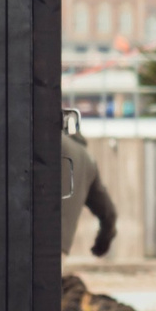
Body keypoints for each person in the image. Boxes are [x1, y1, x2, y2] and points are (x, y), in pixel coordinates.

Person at [62, 102, 118, 260]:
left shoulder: (47, 143)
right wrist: (102, 244)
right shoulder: (87, 159)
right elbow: (109, 214)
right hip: (59, 247)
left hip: (21, 238)